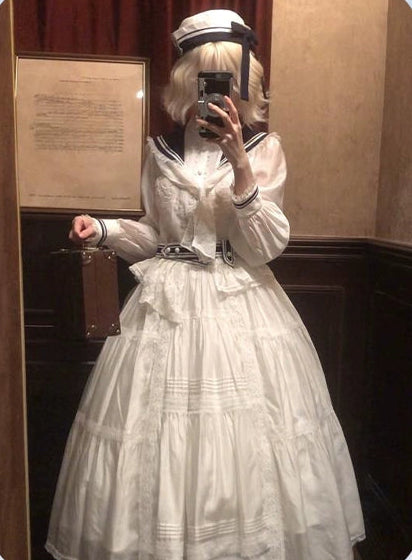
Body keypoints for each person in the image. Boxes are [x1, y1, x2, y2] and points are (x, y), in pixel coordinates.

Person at [46, 9, 365, 560]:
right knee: (153, 431)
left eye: (226, 80)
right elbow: (156, 235)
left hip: (240, 298)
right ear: (185, 81)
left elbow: (264, 247)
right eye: (205, 79)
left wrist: (239, 162)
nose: (216, 92)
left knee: (249, 436)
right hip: (165, 304)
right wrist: (103, 229)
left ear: (245, 82)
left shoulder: (264, 149)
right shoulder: (159, 151)